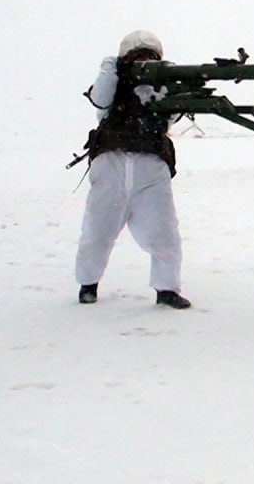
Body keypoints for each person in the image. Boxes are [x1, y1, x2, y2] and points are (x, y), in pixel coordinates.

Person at [74, 30, 190, 309]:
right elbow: (101, 99)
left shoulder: (163, 82)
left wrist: (166, 83)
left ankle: (166, 288)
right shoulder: (113, 77)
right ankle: (88, 284)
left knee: (165, 232)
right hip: (111, 162)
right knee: (97, 230)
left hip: (151, 165)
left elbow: (172, 112)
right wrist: (112, 68)